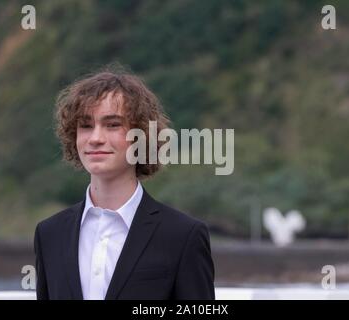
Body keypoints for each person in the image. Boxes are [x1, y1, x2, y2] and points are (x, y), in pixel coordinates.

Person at [33, 67, 215, 300]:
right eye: (86, 125)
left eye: (113, 125)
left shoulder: (183, 236)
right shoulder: (49, 234)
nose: (96, 138)